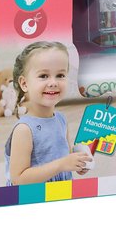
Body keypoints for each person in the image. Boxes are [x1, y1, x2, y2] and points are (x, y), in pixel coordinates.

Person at [5, 41, 91, 185]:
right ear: (24, 84)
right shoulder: (24, 129)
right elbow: (18, 179)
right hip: (35, 195)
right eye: (44, 76)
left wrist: (76, 162)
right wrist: (62, 164)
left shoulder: (61, 119)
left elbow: (63, 154)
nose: (53, 82)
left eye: (60, 75)